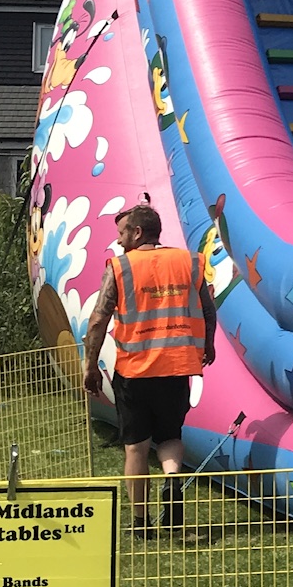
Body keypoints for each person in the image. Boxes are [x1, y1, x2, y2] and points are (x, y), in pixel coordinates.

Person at [83, 203, 216, 533]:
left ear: (137, 232)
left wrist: (90, 365)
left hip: (135, 370)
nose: (119, 240)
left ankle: (141, 522)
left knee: (136, 446)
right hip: (177, 368)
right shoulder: (189, 262)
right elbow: (208, 310)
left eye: (122, 233)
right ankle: (171, 480)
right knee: (170, 436)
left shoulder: (120, 267)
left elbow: (99, 318)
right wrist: (207, 345)